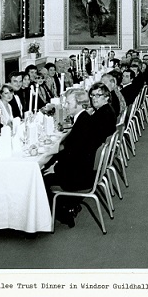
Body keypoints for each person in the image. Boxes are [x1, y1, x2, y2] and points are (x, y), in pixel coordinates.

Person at [42, 89, 98, 227]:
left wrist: (55, 168)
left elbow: (73, 156)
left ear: (79, 104)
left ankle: (63, 213)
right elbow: (72, 152)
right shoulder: (83, 118)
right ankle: (67, 206)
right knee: (47, 167)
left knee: (40, 179)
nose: (65, 105)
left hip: (79, 176)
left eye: (68, 102)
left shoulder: (83, 123)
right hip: (84, 170)